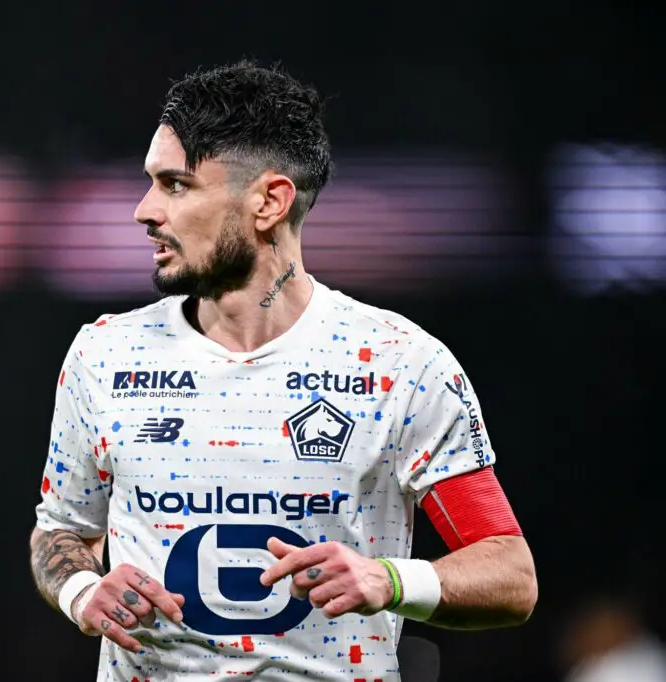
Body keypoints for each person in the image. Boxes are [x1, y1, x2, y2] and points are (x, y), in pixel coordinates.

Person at [29, 60, 538, 681]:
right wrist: (82, 590)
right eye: (150, 183)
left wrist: (389, 579)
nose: (144, 209)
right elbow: (60, 533)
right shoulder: (105, 356)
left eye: (176, 185)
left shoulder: (400, 363)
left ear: (270, 201)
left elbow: (509, 572)